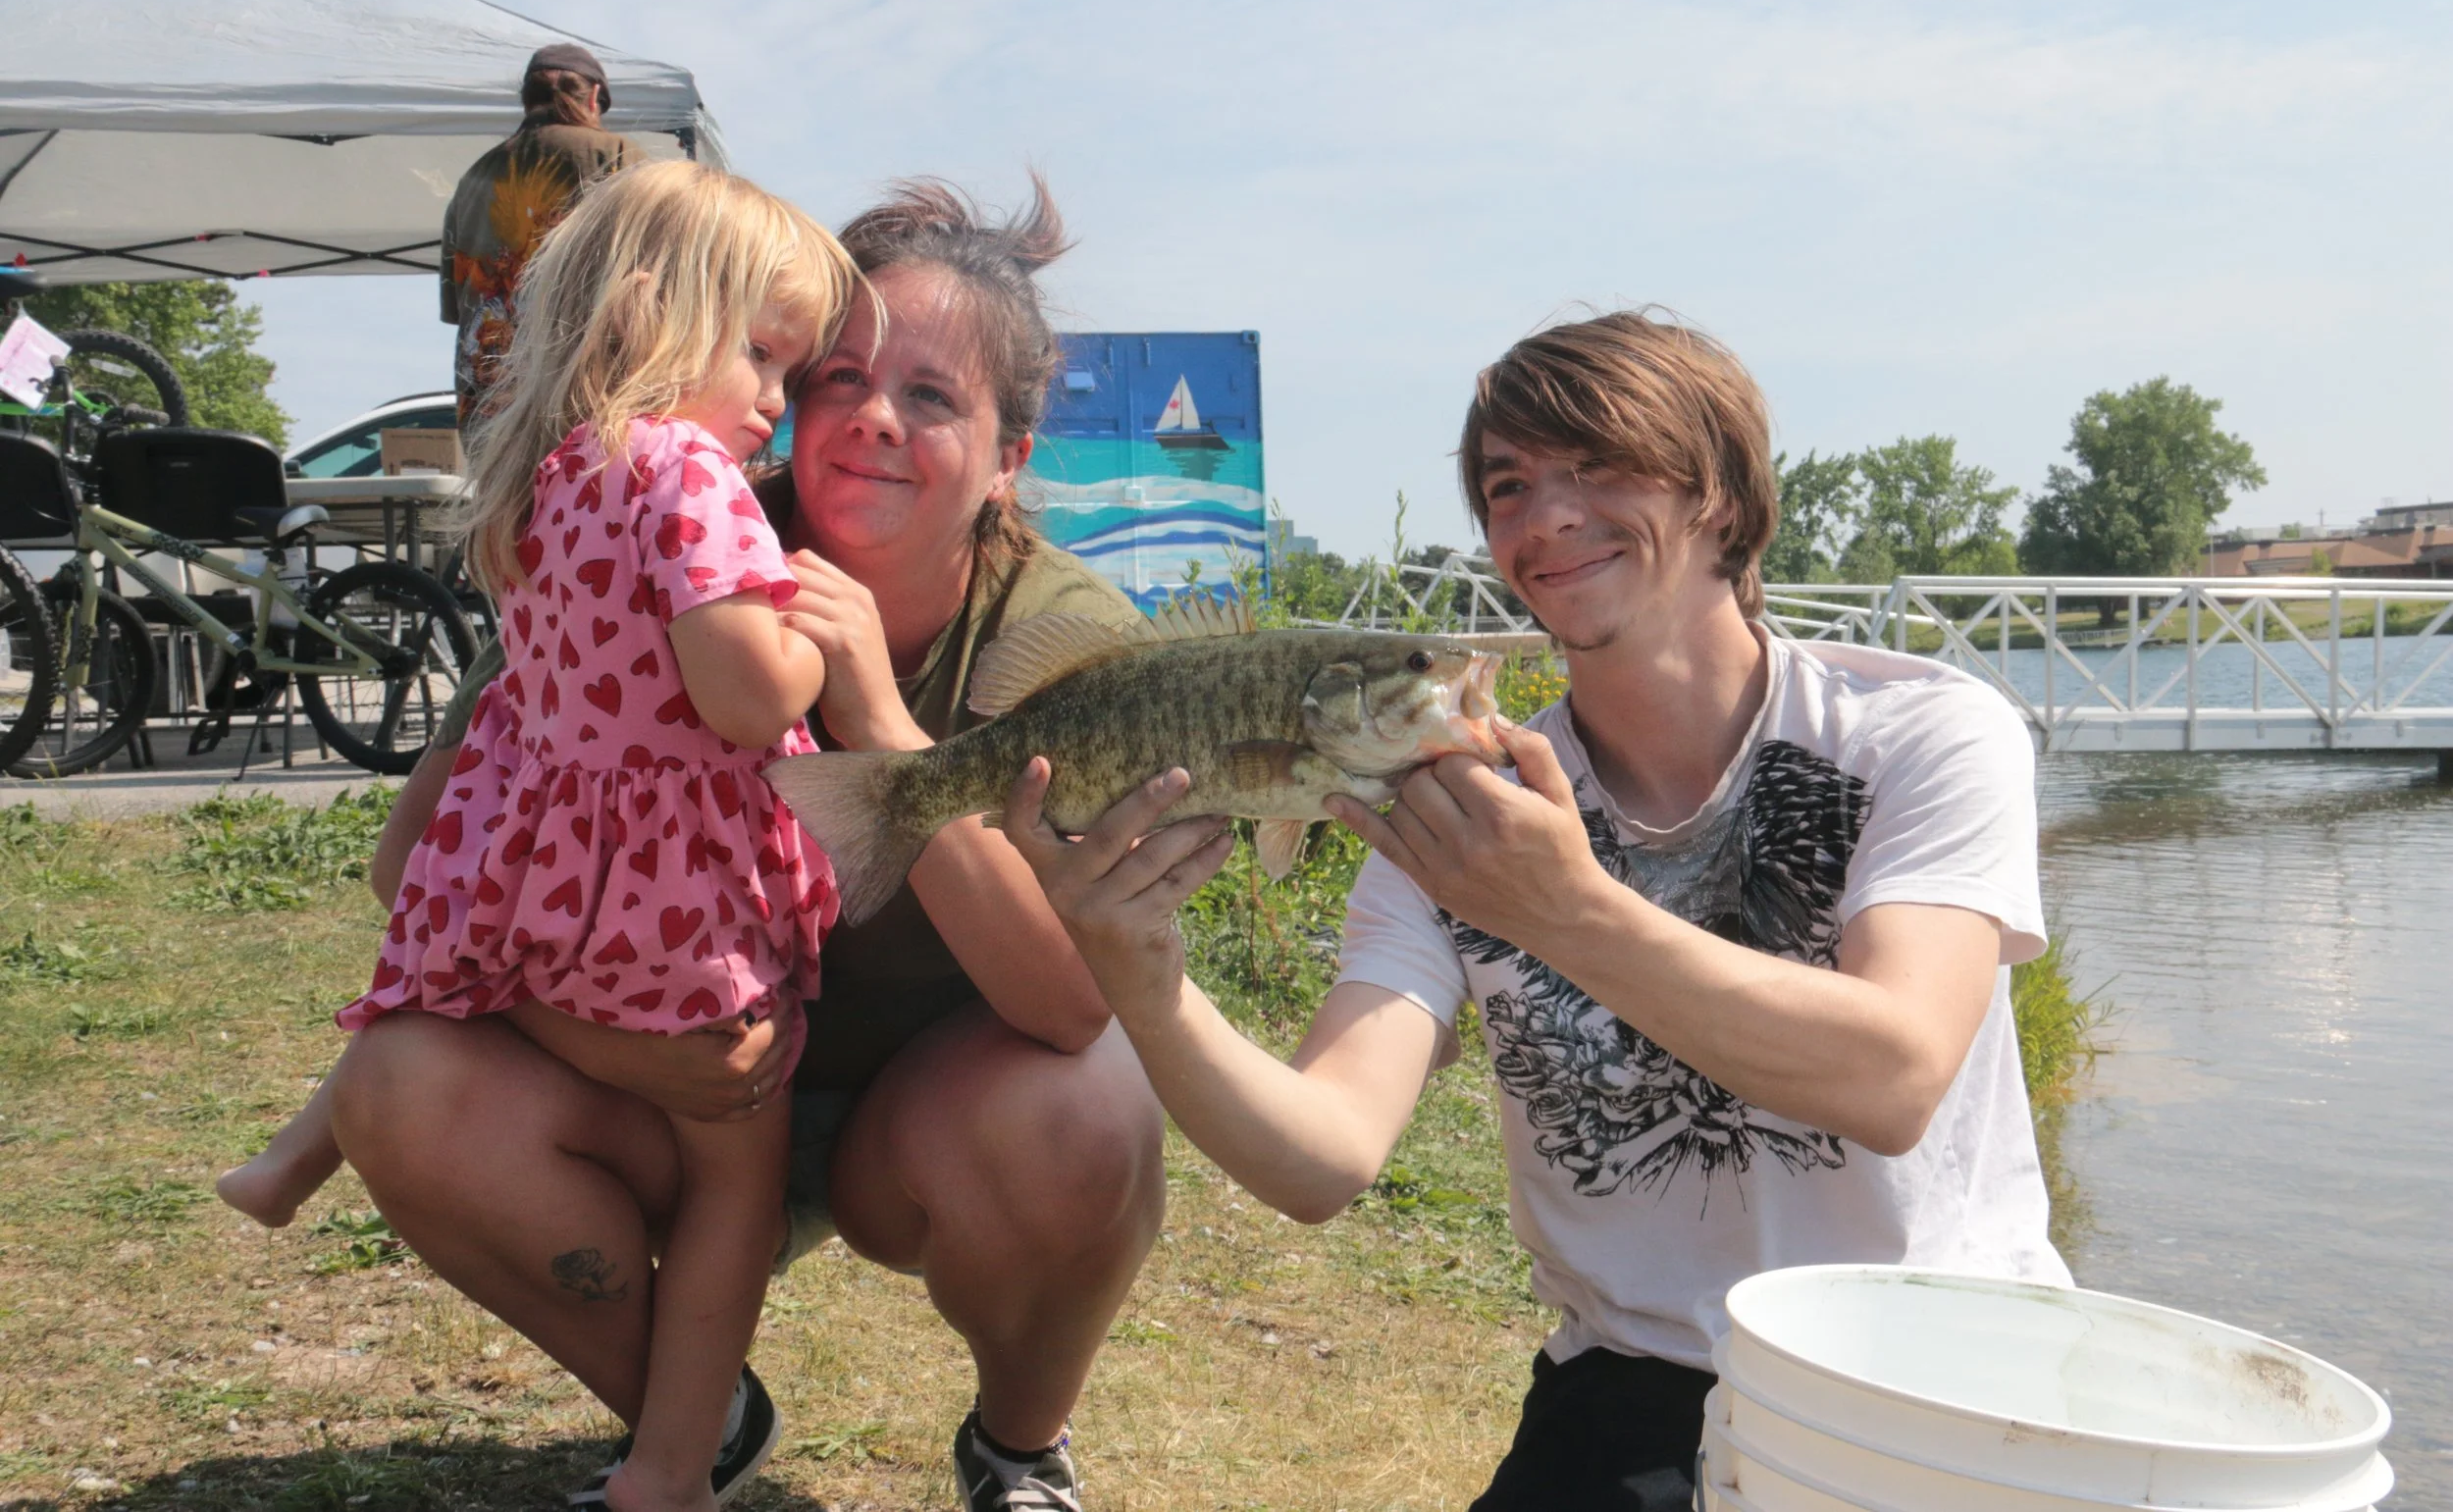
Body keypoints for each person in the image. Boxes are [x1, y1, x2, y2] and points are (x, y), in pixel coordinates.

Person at [1002, 310, 2068, 1510]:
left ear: (1720, 491)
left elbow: (1894, 1076)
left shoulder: (1918, 733)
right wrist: (1142, 976)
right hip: (1639, 1382)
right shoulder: (1445, 811)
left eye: (1598, 468)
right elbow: (1320, 1157)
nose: (1545, 516)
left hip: (1947, 1379)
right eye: (1508, 485)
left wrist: (1566, 911)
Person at [336, 178, 1164, 1512]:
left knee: (1089, 1113)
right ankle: (695, 1412)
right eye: (833, 375)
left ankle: (1019, 1443)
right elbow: (413, 867)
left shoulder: (1066, 642)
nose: (870, 420)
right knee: (396, 1086)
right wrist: (618, 1042)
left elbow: (1071, 1004)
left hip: (926, 1126)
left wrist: (882, 722)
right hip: (675, 1102)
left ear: (1010, 454)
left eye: (936, 399)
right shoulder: (653, 525)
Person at [230, 161, 860, 1512]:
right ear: (646, 315)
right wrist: (813, 650)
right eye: (758, 351)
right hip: (684, 918)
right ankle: (675, 1467)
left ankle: (301, 1148)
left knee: (440, 978)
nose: (771, 400)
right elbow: (744, 695)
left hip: (553, 891)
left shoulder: (544, 478)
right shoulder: (684, 466)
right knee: (731, 1177)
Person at [441, 42, 637, 425]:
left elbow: (456, 306)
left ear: (526, 101)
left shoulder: (473, 179)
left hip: (489, 410)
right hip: (583, 404)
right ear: (594, 96)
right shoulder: (615, 154)